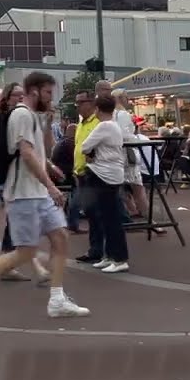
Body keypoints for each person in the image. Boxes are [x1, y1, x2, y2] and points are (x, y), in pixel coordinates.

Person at [0, 72, 89, 318]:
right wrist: (51, 186)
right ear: (36, 91)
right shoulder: (20, 115)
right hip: (24, 193)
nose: (52, 98)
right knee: (26, 251)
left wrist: (49, 150)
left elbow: (42, 152)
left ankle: (57, 298)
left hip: (36, 192)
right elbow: (26, 154)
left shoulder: (32, 117)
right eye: (49, 93)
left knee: (60, 237)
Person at [77, 93, 130, 273]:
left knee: (110, 218)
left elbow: (84, 146)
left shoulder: (103, 126)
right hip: (113, 174)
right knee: (108, 217)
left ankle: (120, 258)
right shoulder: (114, 126)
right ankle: (110, 256)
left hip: (103, 174)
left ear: (98, 109)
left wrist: (92, 152)